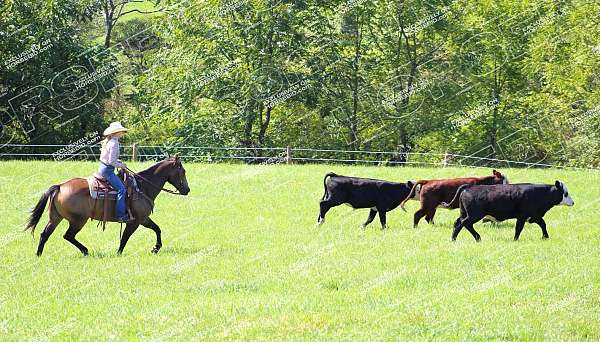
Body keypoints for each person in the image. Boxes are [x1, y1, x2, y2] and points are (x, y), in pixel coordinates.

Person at [98, 121, 131, 222]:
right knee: (122, 189)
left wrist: (119, 162)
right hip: (108, 171)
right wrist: (122, 165)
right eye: (120, 131)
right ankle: (120, 215)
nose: (122, 133)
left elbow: (108, 158)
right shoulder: (114, 143)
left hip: (103, 168)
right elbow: (111, 161)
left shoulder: (109, 141)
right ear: (116, 133)